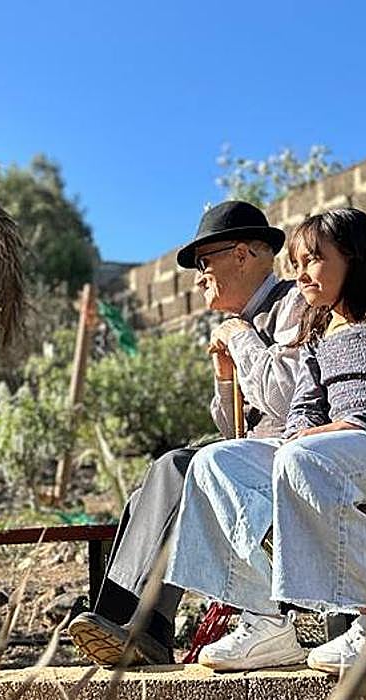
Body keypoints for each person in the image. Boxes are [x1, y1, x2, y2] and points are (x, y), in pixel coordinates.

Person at [162, 207, 366, 674]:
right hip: (332, 450)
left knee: (306, 456)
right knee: (215, 463)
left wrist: (343, 428)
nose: (301, 274)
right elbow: (305, 404)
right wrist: (301, 433)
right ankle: (264, 621)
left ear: (355, 259)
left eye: (312, 261)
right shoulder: (319, 331)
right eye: (296, 265)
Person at [68, 201, 305, 666]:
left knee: (177, 465)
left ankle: (138, 625)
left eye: (204, 262)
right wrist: (224, 377)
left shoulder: (292, 303)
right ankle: (137, 625)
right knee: (149, 492)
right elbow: (235, 426)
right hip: (255, 457)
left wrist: (239, 337)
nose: (199, 278)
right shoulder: (244, 323)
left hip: (299, 452)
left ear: (242, 255)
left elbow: (287, 398)